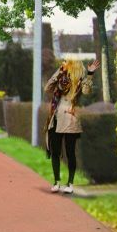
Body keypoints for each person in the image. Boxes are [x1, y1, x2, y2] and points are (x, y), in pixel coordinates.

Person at [44, 64, 83, 195]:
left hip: (70, 121)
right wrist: (58, 72)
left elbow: (87, 90)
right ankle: (56, 182)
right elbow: (47, 88)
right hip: (55, 120)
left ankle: (70, 183)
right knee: (55, 151)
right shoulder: (60, 79)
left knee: (70, 152)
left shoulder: (77, 81)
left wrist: (90, 74)